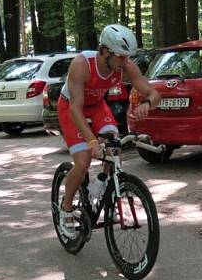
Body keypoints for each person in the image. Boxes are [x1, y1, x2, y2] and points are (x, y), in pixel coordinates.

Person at [57, 24, 161, 238]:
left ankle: (102, 184)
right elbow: (75, 109)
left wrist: (147, 104)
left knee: (115, 146)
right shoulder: (81, 65)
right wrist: (92, 141)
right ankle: (66, 208)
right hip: (71, 108)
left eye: (127, 57)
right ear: (105, 50)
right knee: (84, 161)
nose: (125, 62)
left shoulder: (125, 66)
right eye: (121, 57)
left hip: (96, 107)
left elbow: (153, 92)